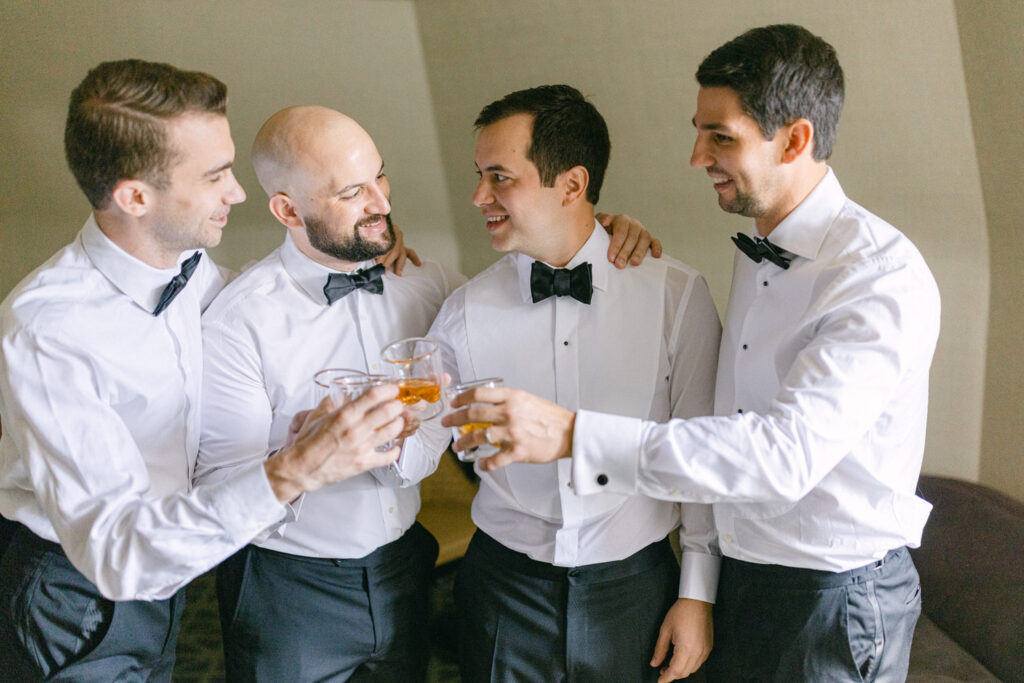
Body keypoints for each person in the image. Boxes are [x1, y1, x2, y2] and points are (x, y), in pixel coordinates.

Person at [446, 25, 941, 682]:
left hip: (831, 596)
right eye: (699, 131)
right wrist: (589, 233)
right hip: (748, 579)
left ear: (795, 139)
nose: (696, 155)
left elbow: (782, 456)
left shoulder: (875, 276)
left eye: (721, 137)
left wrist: (574, 434)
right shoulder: (759, 253)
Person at [192, 104, 659, 681]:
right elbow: (215, 497)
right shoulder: (239, 322)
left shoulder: (430, 285)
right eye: (352, 193)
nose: (382, 204)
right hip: (292, 589)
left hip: (405, 570)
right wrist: (303, 462)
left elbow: (524, 301)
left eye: (380, 177)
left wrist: (599, 230)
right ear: (288, 209)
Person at [0, 60, 406, 681]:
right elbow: (118, 554)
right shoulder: (48, 330)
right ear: (135, 196)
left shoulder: (186, 265)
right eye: (215, 175)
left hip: (174, 572)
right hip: (76, 594)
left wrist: (360, 243)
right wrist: (295, 469)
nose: (238, 193)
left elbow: (255, 303)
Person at [422, 84, 722, 682]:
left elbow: (702, 456)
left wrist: (698, 594)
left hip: (638, 588)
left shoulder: (675, 296)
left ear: (573, 185)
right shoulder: (461, 311)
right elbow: (427, 438)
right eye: (479, 175)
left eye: (500, 178)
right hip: (501, 589)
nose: (479, 196)